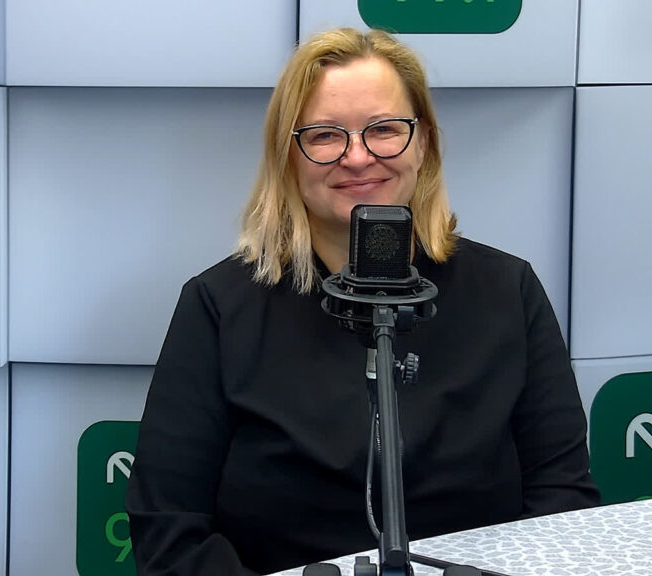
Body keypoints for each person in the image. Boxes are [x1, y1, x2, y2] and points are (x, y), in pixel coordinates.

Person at [125, 27, 599, 576]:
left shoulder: (508, 290)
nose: (357, 157)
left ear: (423, 143)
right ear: (288, 155)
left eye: (384, 129)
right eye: (325, 135)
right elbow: (169, 533)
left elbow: (563, 501)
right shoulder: (218, 306)